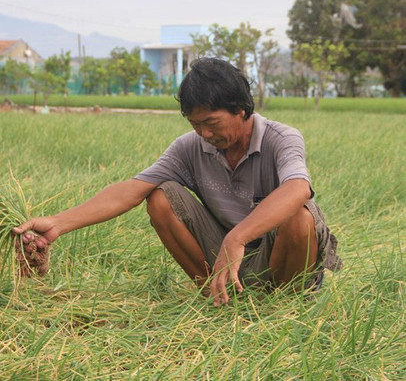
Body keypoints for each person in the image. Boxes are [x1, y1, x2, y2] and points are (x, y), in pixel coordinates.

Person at [13, 58, 342, 306]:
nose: (205, 134)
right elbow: (131, 190)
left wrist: (238, 237)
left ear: (241, 110)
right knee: (159, 197)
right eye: (196, 124)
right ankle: (218, 297)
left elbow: (298, 188)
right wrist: (58, 224)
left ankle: (282, 306)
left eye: (212, 123)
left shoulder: (281, 138)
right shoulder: (191, 146)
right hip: (225, 255)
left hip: (278, 256)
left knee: (299, 215)